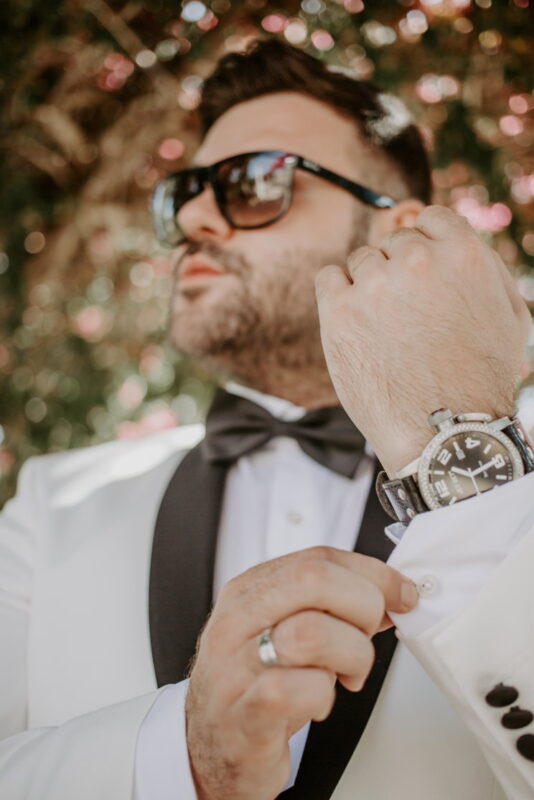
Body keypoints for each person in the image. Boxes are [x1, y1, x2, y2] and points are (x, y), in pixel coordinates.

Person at [0, 37, 533, 800]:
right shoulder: (51, 504)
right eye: (183, 194)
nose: (196, 219)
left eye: (253, 182)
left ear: (396, 228)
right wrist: (181, 754)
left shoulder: (522, 480)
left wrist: (460, 457)